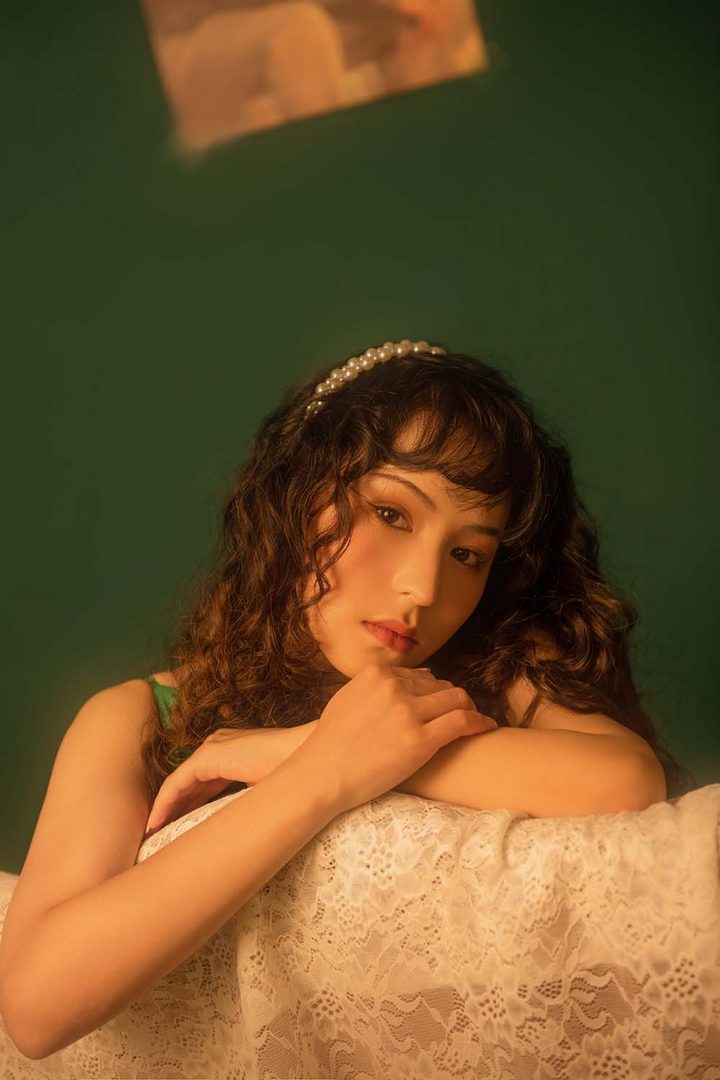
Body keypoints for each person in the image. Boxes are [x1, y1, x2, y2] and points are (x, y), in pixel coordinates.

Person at [0, 338, 695, 1060]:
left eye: (467, 555)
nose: (423, 588)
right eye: (392, 514)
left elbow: (623, 780)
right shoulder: (145, 717)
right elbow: (38, 1004)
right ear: (298, 494)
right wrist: (322, 773)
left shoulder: (495, 668)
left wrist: (306, 750)